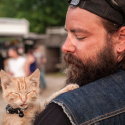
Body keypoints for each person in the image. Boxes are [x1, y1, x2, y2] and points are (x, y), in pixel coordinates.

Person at [35, 0, 125, 124]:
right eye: (67, 34)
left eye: (79, 37)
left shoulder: (64, 114)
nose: (65, 47)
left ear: (120, 39)